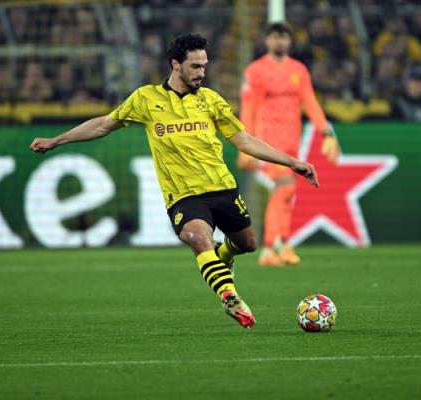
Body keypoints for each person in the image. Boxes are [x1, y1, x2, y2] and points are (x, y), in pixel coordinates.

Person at [30, 33, 319, 329]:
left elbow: (244, 140)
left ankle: (224, 256)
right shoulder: (146, 99)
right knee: (197, 237)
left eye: (204, 66)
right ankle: (229, 296)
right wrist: (57, 140)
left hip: (222, 187)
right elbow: (103, 125)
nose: (201, 72)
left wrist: (292, 162)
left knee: (247, 244)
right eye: (195, 66)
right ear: (175, 64)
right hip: (183, 196)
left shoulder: (210, 100)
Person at [238, 23, 339, 267]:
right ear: (266, 41)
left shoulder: (298, 70)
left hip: (292, 140)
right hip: (268, 142)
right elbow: (249, 108)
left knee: (287, 191)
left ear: (290, 41)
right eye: (275, 37)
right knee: (284, 187)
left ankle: (280, 246)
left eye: (283, 37)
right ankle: (271, 247)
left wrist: (326, 131)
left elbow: (310, 102)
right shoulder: (256, 71)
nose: (279, 42)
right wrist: (245, 144)